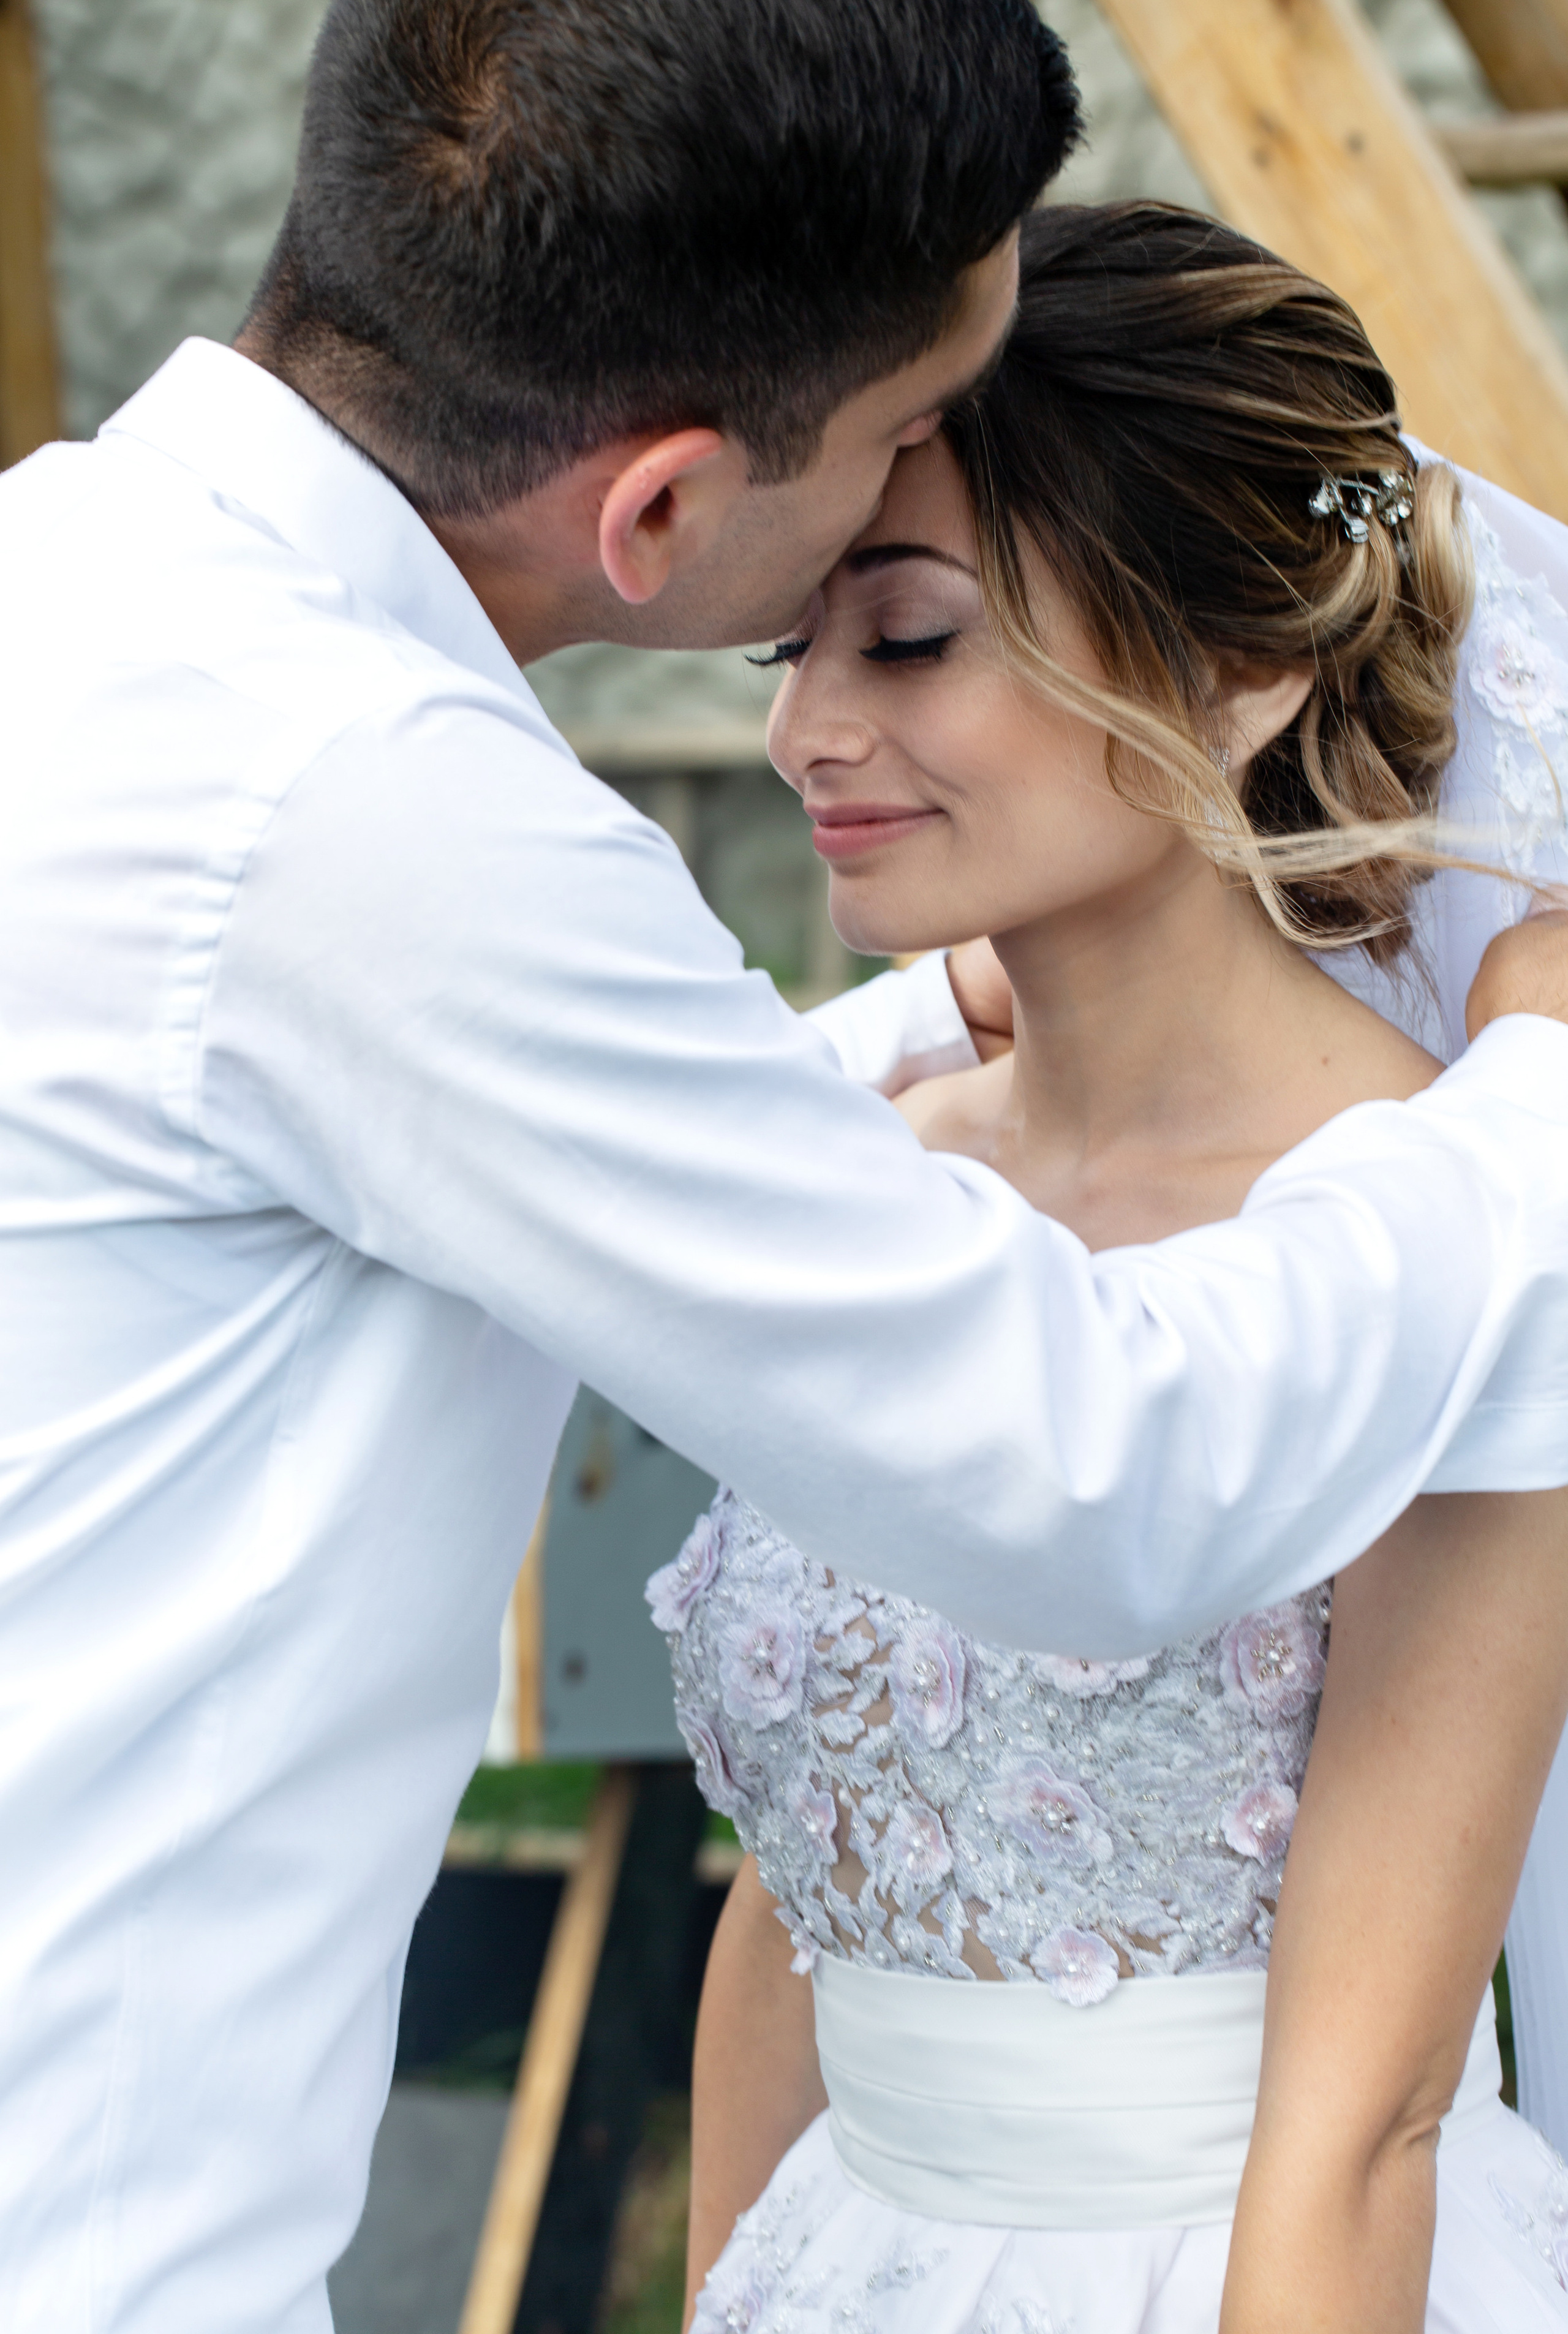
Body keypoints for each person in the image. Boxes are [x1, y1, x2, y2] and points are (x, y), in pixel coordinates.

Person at [2, 0, 1568, 2327]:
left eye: (921, 636)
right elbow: (1088, 1465)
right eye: (917, 426)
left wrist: (999, 993)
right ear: (662, 504)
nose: (827, 717)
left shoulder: (80, 593)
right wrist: (1536, 1078)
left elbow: (603, 1149)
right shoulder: (375, 822)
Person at [663, 203, 1568, 2334]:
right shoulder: (874, 1168)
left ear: (1241, 668)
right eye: (788, 647)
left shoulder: (1464, 1236)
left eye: (905, 641)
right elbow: (804, 1893)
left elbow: (1372, 2121)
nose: (805, 730)